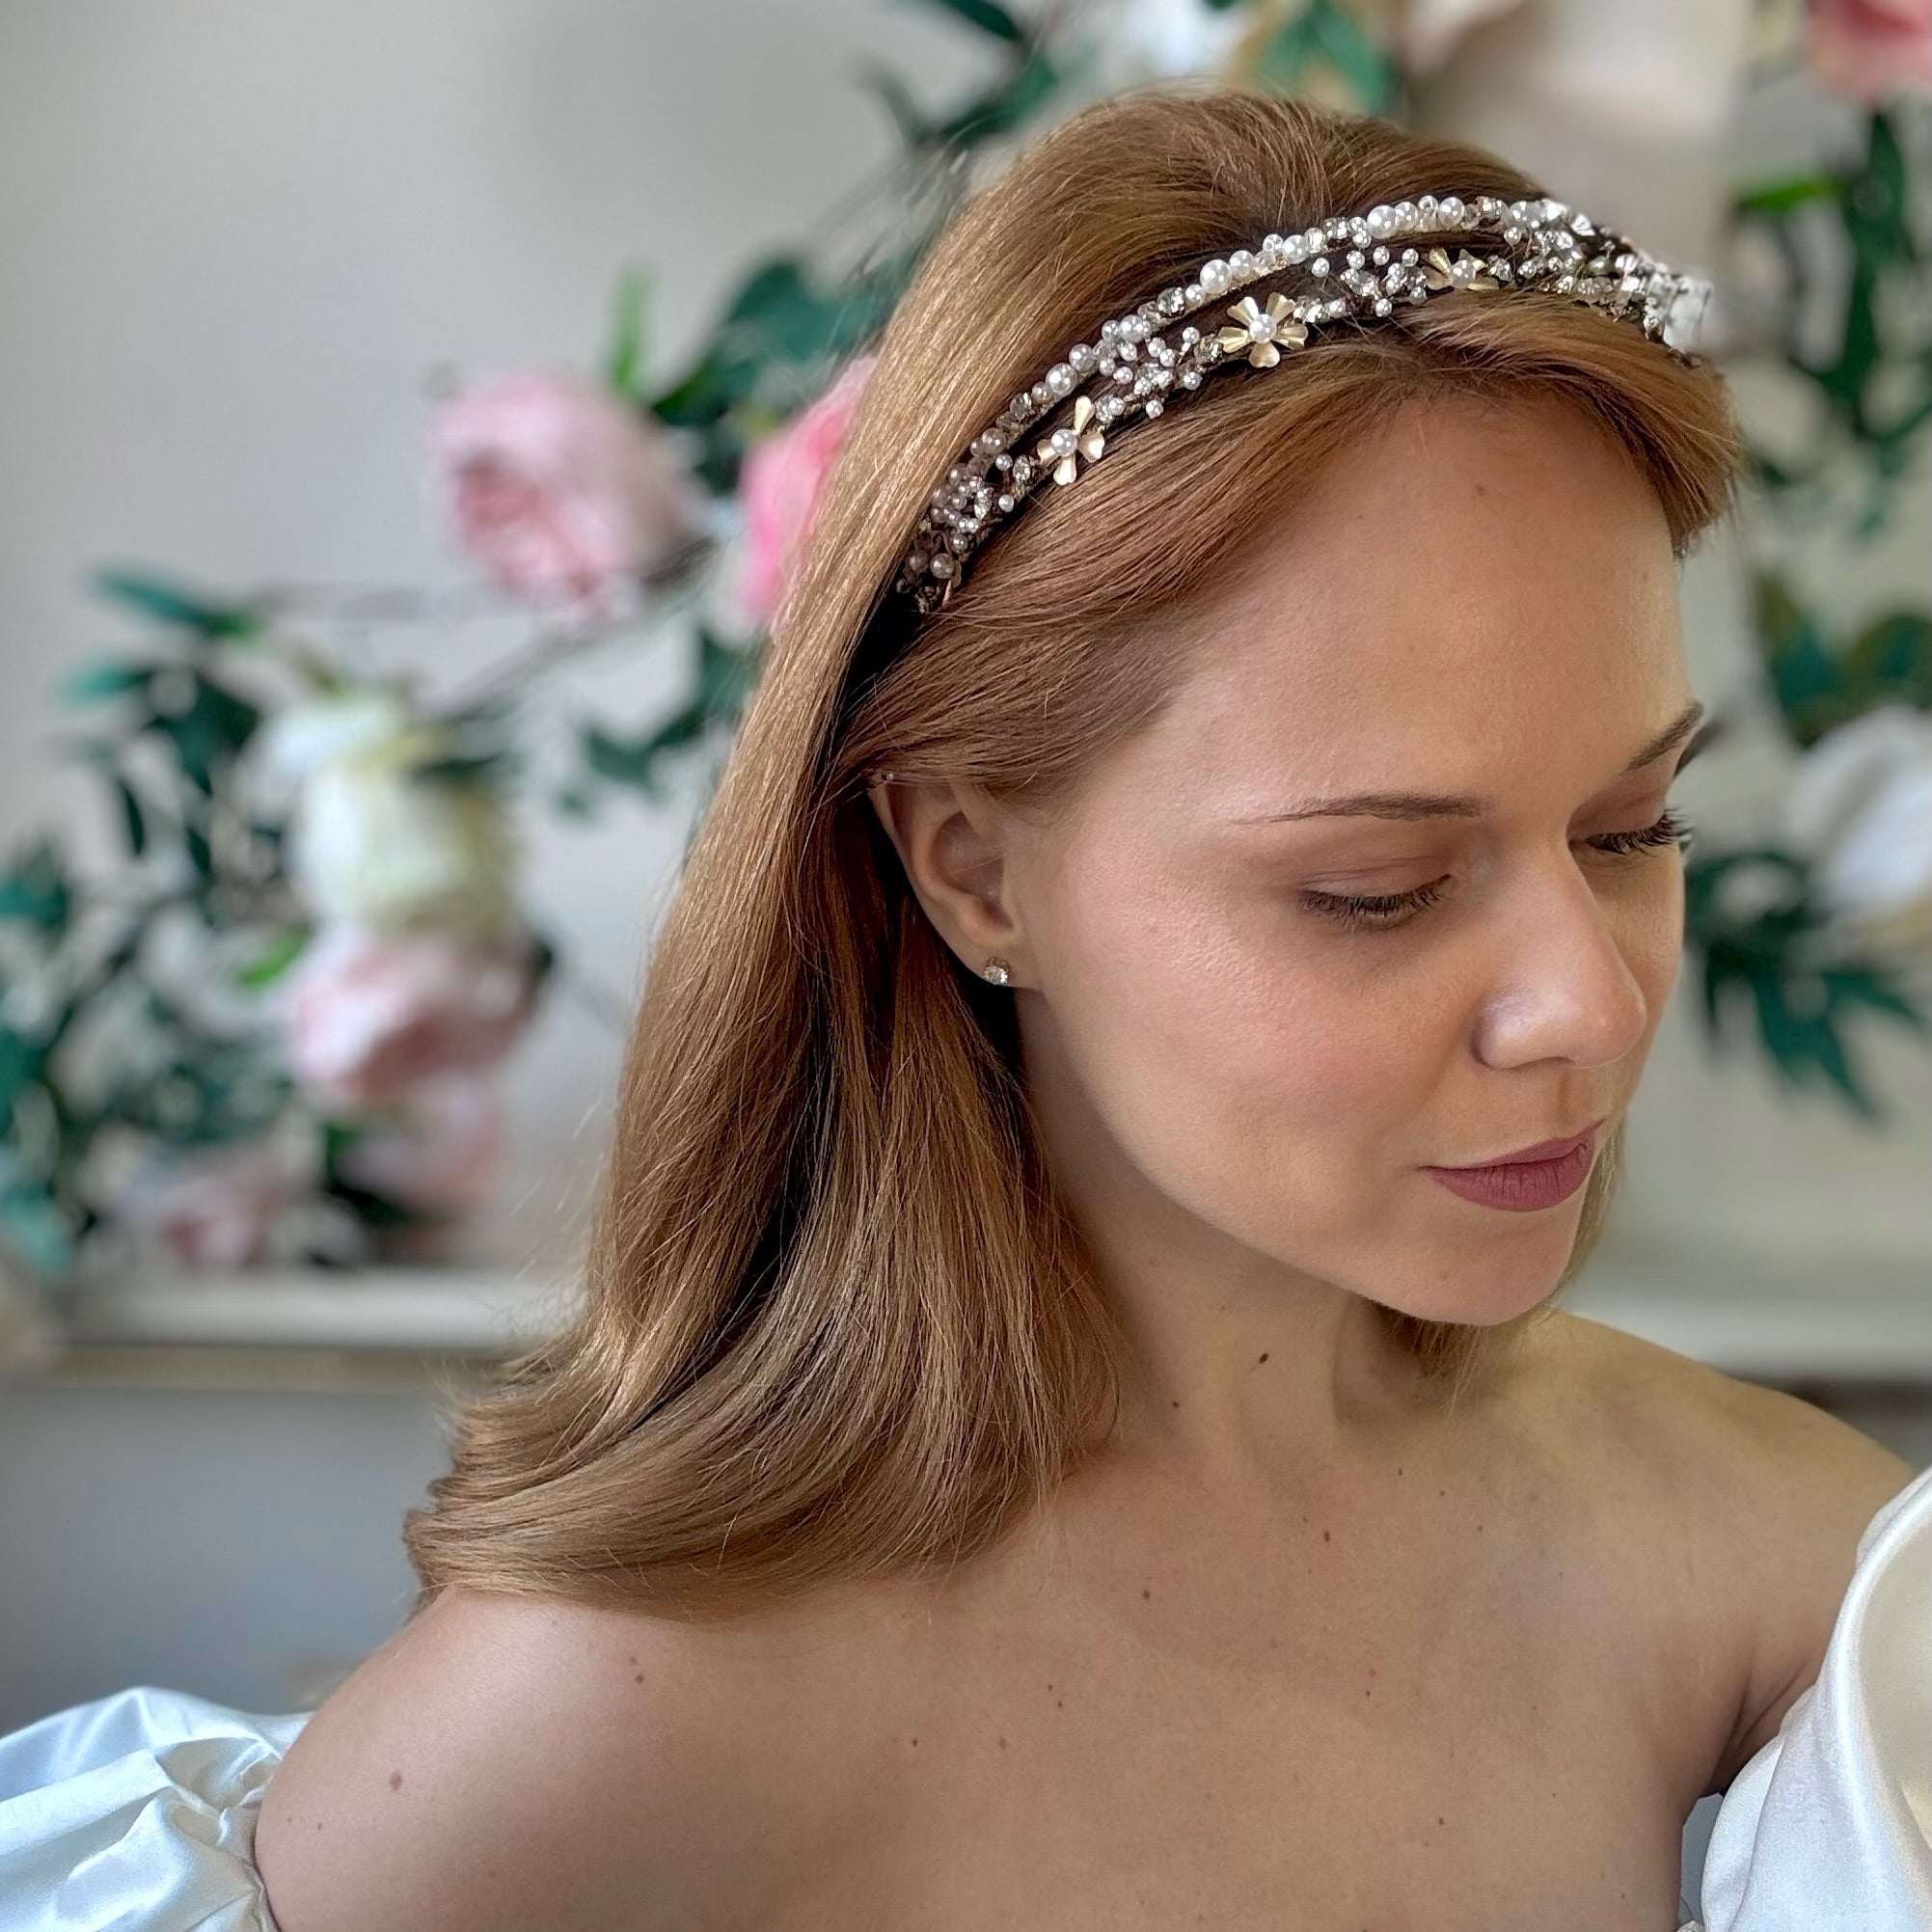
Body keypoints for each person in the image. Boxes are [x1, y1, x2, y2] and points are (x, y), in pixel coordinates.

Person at [2, 81, 1925, 1931]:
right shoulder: (615, 1723)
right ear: (973, 867)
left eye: (1633, 823)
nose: (1587, 1001)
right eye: (1377, 887)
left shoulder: (1776, 1570)